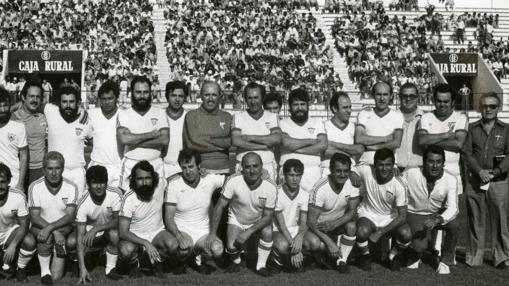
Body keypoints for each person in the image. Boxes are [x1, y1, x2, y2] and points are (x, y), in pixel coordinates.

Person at [207, 152, 276, 276]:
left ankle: (261, 265)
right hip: (237, 220)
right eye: (248, 166)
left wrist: (248, 232)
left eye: (255, 166)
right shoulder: (233, 181)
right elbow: (219, 207)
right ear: (242, 168)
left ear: (262, 167)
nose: (252, 170)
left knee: (268, 231)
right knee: (231, 246)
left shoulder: (270, 186)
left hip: (258, 221)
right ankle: (236, 261)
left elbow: (268, 216)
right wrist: (212, 233)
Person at [464, 92, 509, 269]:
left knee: (500, 219)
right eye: (485, 106)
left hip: (499, 180)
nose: (488, 109)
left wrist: (496, 172)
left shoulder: (506, 129)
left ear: (498, 108)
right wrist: (479, 171)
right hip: (476, 180)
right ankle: (475, 256)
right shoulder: (472, 128)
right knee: (476, 218)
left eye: (492, 106)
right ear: (480, 108)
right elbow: (467, 153)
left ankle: (502, 257)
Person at [164, 150, 225, 274]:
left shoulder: (209, 179)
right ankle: (181, 261)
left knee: (217, 250)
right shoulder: (174, 184)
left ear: (199, 166)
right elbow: (168, 218)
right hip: (182, 230)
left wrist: (262, 173)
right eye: (184, 168)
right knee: (183, 248)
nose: (188, 171)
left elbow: (233, 179)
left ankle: (199, 256)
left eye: (191, 166)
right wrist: (178, 235)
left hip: (203, 232)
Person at [403, 145, 459, 274]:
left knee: (455, 224)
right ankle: (414, 254)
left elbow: (453, 208)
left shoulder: (451, 179)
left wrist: (438, 219)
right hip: (414, 213)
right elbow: (396, 189)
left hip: (436, 214)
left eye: (438, 162)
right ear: (424, 162)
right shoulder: (411, 173)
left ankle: (445, 261)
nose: (435, 166)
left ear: (443, 164)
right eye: (431, 161)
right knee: (419, 246)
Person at [354, 148, 411, 271]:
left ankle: (392, 256)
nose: (384, 169)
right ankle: (366, 256)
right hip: (368, 214)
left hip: (390, 217)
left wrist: (380, 233)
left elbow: (402, 216)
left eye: (388, 165)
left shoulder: (400, 184)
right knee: (361, 231)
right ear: (374, 165)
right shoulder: (367, 171)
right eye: (380, 165)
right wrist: (353, 176)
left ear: (393, 165)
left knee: (406, 235)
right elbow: (351, 169)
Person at [28, 152, 78, 285]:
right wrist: (52, 231)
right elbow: (34, 217)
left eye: (57, 168)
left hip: (63, 228)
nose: (54, 173)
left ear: (63, 168)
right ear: (44, 169)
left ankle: (60, 252)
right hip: (41, 227)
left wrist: (52, 228)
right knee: (48, 236)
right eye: (50, 169)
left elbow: (70, 216)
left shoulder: (71, 186)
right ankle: (45, 272)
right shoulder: (35, 186)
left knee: (56, 277)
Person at [118, 160, 173, 278]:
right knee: (125, 250)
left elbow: (173, 179)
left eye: (148, 178)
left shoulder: (160, 186)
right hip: (136, 238)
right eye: (140, 179)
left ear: (153, 178)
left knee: (172, 245)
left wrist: (202, 172)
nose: (144, 182)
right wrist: (145, 243)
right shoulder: (128, 198)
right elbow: (123, 232)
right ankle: (134, 265)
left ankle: (157, 262)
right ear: (134, 180)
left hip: (157, 234)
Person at [306, 153, 360, 273]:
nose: (342, 175)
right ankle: (314, 257)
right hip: (319, 228)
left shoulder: (351, 183)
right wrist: (330, 243)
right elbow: (310, 221)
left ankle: (342, 261)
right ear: (331, 170)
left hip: (337, 224)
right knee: (316, 244)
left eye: (346, 171)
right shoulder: (320, 188)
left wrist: (335, 224)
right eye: (338, 171)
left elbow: (352, 211)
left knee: (352, 226)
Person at [69, 166, 123, 283]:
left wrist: (97, 228)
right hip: (88, 234)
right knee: (72, 242)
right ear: (88, 184)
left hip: (107, 230)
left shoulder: (115, 194)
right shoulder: (83, 201)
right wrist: (82, 269)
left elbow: (118, 221)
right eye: (94, 183)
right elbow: (80, 236)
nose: (99, 186)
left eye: (102, 182)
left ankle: (110, 268)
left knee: (115, 234)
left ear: (106, 182)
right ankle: (77, 262)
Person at [117, 76, 169, 190]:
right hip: (131, 164)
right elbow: (124, 140)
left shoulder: (160, 113)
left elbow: (164, 140)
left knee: (156, 204)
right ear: (131, 93)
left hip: (155, 164)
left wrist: (133, 141)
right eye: (138, 92)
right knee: (128, 203)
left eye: (145, 92)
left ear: (151, 93)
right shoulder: (123, 114)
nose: (142, 96)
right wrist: (151, 135)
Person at [418, 83, 468, 195]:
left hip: (453, 173)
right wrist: (445, 135)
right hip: (429, 175)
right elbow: (422, 140)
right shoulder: (426, 117)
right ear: (434, 101)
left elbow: (458, 143)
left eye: (446, 101)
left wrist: (431, 140)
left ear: (453, 102)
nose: (442, 104)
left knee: (453, 210)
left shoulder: (460, 118)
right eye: (439, 101)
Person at [44, 85, 92, 198]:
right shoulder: (50, 111)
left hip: (77, 174)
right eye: (64, 102)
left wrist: (84, 111)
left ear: (77, 102)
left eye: (71, 101)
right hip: (55, 172)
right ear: (59, 102)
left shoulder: (85, 120)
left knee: (77, 210)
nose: (68, 105)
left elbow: (93, 142)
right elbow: (29, 104)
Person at [280, 88, 327, 192]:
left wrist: (294, 148)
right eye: (296, 104)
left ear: (308, 105)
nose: (299, 108)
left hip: (313, 172)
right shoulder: (282, 123)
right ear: (290, 106)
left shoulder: (317, 122)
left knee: (310, 206)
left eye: (302, 104)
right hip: (288, 173)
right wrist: (312, 141)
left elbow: (322, 145)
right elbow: (286, 143)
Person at [232, 83, 282, 181]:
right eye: (249, 98)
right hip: (243, 167)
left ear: (262, 98)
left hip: (267, 165)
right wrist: (263, 146)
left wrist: (250, 138)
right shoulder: (238, 117)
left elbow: (277, 139)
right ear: (245, 99)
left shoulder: (272, 117)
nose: (253, 101)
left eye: (256, 97)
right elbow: (236, 141)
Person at [183, 80, 232, 175]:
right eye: (207, 95)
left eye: (214, 95)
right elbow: (191, 144)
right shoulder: (191, 116)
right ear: (201, 96)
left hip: (224, 170)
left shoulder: (227, 116)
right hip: (200, 172)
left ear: (220, 96)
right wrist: (219, 145)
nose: (210, 99)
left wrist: (204, 140)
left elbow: (230, 142)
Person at [269, 159, 309, 272]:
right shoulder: (277, 193)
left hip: (295, 230)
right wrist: (295, 249)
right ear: (284, 175)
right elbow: (282, 226)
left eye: (298, 175)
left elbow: (303, 222)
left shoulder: (305, 194)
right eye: (291, 175)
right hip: (279, 231)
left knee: (315, 243)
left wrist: (300, 236)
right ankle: (276, 260)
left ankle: (301, 259)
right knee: (282, 245)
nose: (295, 179)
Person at [0, 163, 36, 282]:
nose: (0, 185)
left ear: (9, 181)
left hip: (9, 234)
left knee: (29, 241)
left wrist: (13, 245)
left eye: (3, 181)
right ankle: (6, 266)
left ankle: (21, 269)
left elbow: (24, 224)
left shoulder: (17, 196)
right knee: (5, 273)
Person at [355, 81, 404, 165]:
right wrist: (385, 139)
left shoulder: (397, 116)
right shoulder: (364, 113)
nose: (382, 98)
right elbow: (359, 139)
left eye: (385, 94)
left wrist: (372, 147)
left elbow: (396, 143)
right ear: (373, 95)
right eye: (378, 94)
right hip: (365, 164)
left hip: (388, 165)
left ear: (391, 96)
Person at [12, 80, 48, 188]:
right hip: (21, 170)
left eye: (38, 97)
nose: (35, 100)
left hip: (42, 170)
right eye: (31, 96)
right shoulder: (14, 118)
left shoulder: (43, 116)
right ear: (23, 97)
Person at [88, 81, 122, 187]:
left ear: (116, 98)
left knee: (116, 202)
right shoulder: (91, 114)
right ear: (100, 100)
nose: (107, 102)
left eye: (110, 98)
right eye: (103, 99)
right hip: (97, 164)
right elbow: (87, 136)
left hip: (117, 166)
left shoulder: (124, 115)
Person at [321, 91, 364, 175]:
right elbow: (325, 150)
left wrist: (334, 144)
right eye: (345, 107)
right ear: (334, 109)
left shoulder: (355, 127)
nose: (349, 110)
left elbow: (360, 149)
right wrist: (350, 152)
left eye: (350, 107)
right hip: (328, 170)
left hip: (350, 171)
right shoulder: (324, 126)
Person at [0, 87, 28, 191]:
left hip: (14, 182)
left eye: (5, 105)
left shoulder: (19, 127)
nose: (3, 109)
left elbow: (24, 157)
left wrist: (20, 183)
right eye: (0, 106)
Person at [395, 82, 424, 171]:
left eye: (412, 96)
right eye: (405, 96)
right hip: (396, 171)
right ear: (400, 97)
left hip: (420, 171)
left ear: (417, 98)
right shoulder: (392, 117)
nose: (408, 99)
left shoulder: (426, 118)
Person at [162, 81, 188, 179]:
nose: (177, 99)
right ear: (167, 97)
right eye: (173, 95)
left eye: (181, 96)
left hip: (183, 167)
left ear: (185, 98)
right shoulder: (160, 116)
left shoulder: (189, 117)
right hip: (162, 166)